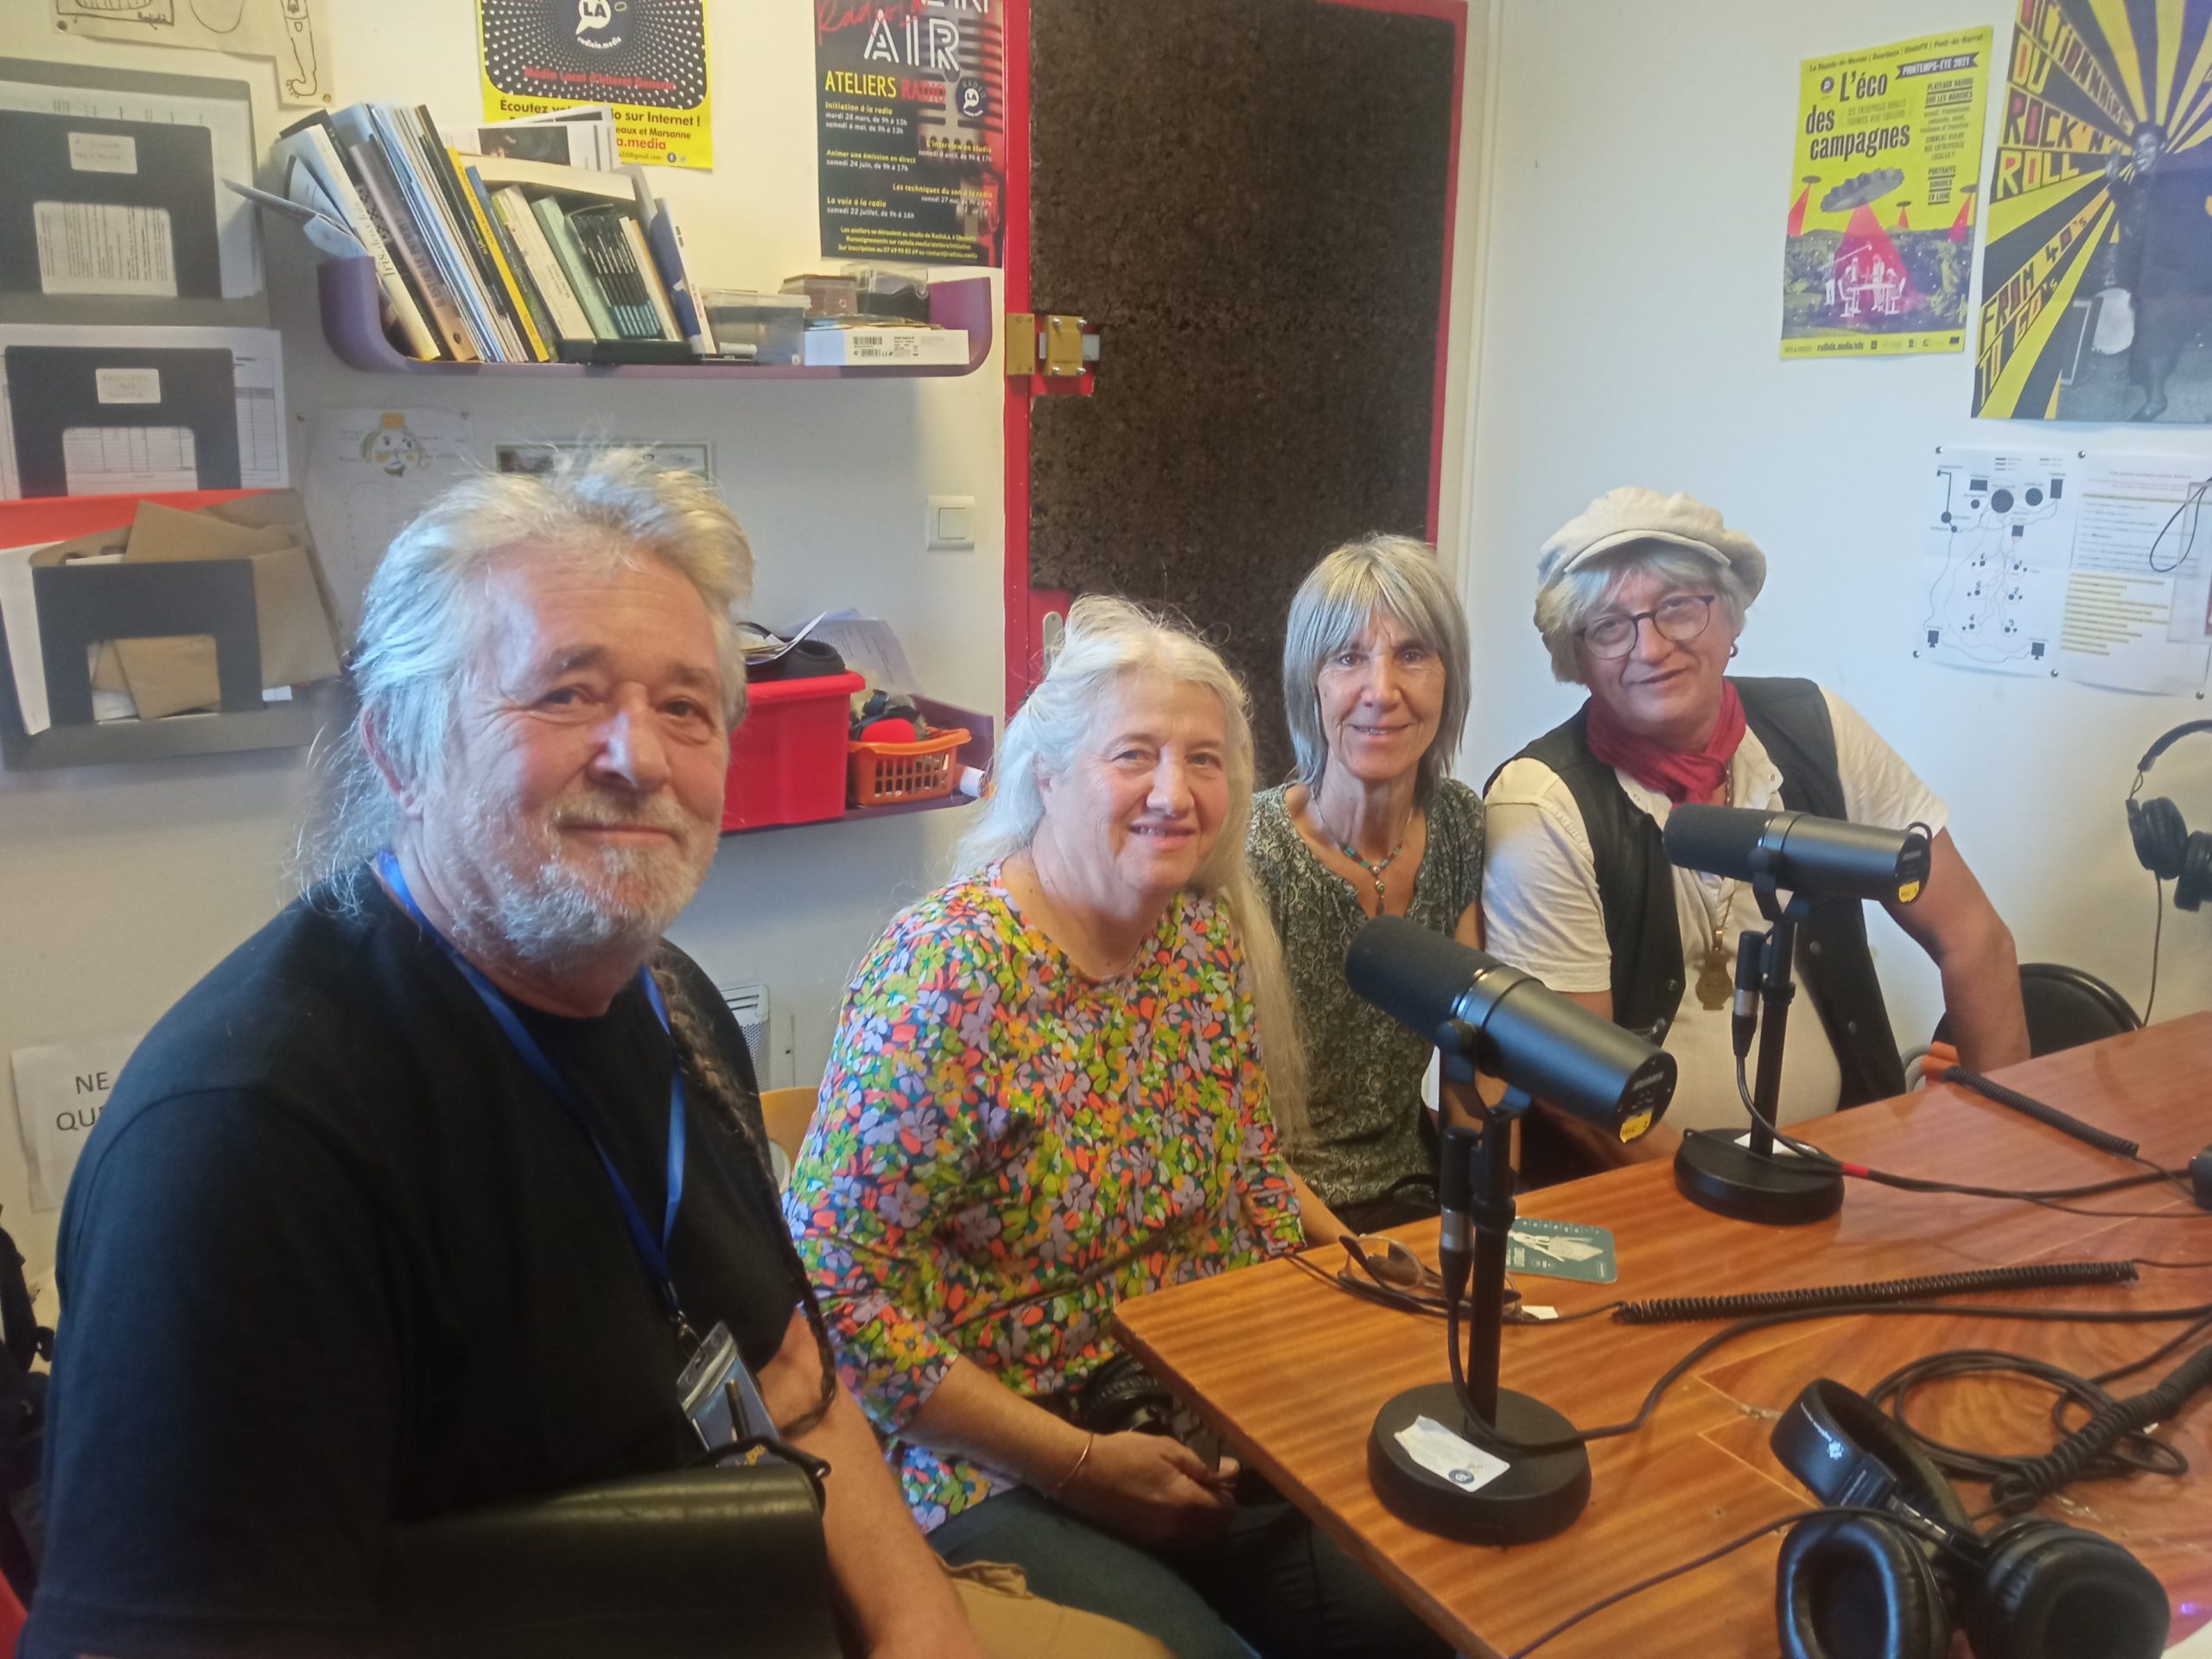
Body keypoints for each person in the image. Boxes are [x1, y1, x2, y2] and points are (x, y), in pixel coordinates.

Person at [26, 454, 1159, 1659]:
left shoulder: (671, 1004)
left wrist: (922, 1630)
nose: (641, 758)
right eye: (566, 694)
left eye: (685, 708)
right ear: (401, 749)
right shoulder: (244, 1146)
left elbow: (793, 1386)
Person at [785, 596, 1448, 1659]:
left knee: (1408, 1615)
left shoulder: (1198, 942)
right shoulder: (948, 976)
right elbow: (830, 1296)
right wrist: (1080, 1466)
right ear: (1046, 776)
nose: (1174, 794)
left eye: (1203, 760)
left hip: (1192, 1405)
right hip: (990, 1457)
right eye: (1133, 754)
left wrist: (1358, 1265)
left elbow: (1248, 1172)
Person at [1482, 487, 2027, 1173]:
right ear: (1578, 658)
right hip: (1649, 1191)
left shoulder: (1820, 729)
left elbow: (1976, 939)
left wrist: (2003, 1151)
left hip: (1841, 1163)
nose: (1651, 648)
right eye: (1610, 627)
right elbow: (1574, 1088)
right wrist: (1728, 1192)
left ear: (1730, 618)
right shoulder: (1541, 802)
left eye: (1679, 607)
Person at [1248, 535, 1483, 1229]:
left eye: (1412, 655)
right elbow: (1234, 1129)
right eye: (1348, 658)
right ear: (1311, 685)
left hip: (1412, 1191)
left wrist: (1486, 1216)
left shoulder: (1460, 824)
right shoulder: (1254, 852)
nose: (1381, 691)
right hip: (1280, 1209)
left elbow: (1471, 1060)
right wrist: (1357, 1257)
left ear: (1449, 680)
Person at [2103, 122, 2212, 422]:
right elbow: (2132, 207)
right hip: (2155, 270)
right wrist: (2114, 179)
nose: (2139, 152)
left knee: (2157, 329)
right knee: (2149, 324)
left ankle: (2156, 398)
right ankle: (2147, 381)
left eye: (2148, 145)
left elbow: (2205, 153)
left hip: (2188, 269)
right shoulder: (2143, 180)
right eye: (2137, 147)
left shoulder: (2179, 172)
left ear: (2163, 148)